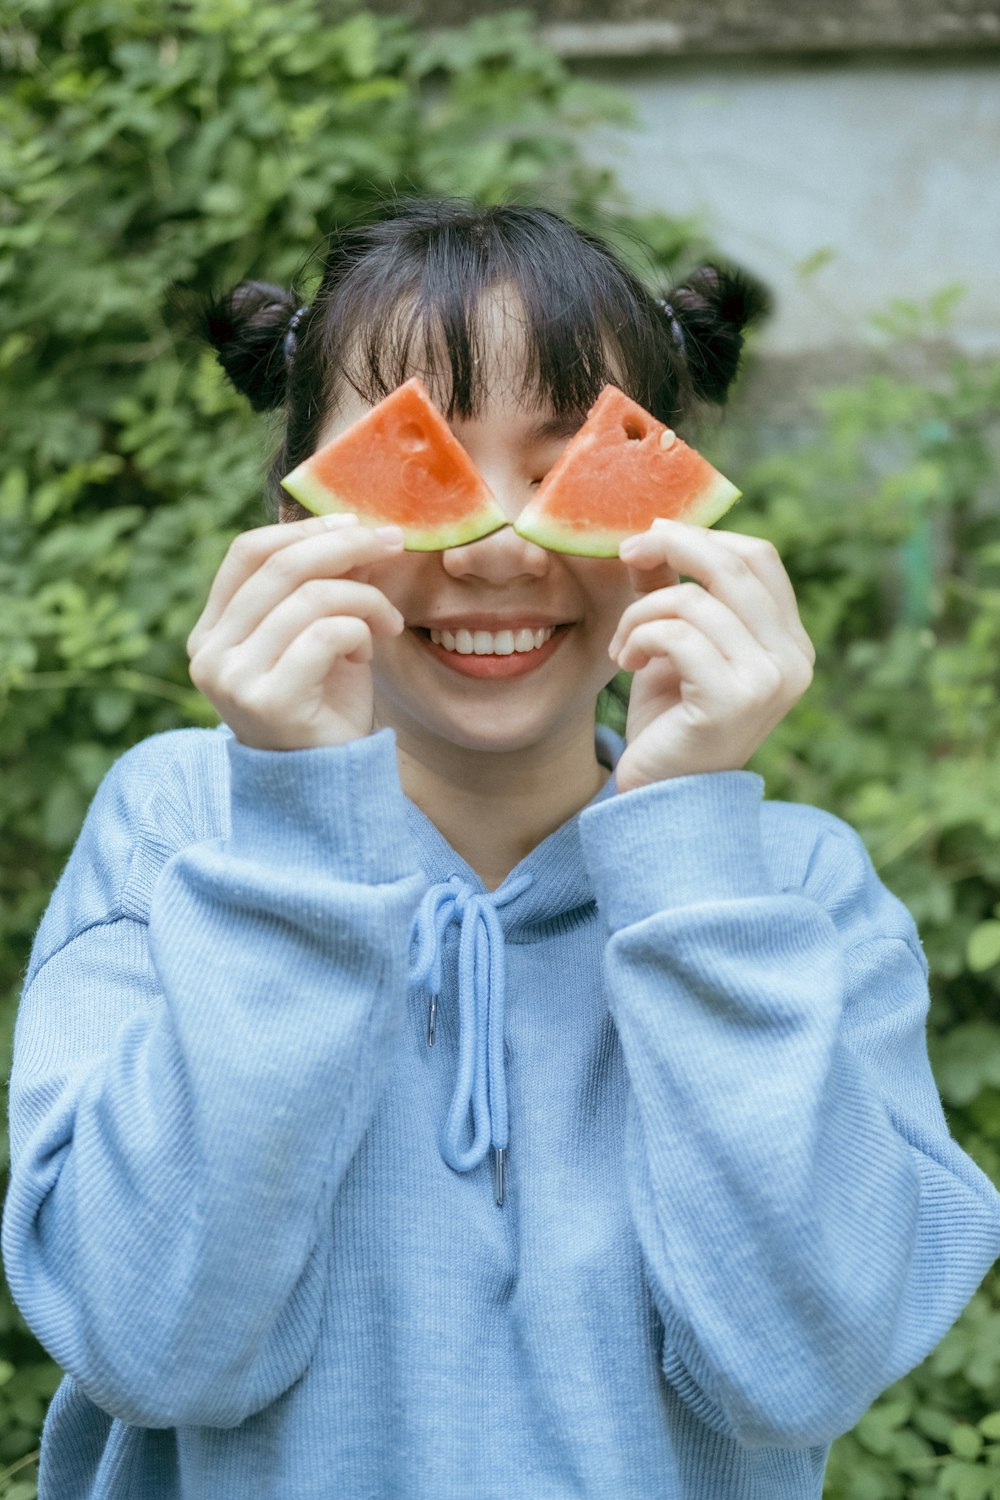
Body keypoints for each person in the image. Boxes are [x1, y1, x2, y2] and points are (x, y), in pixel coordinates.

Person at [4, 197, 999, 1500]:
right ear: (297, 512)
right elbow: (151, 1346)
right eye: (419, 466)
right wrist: (300, 828)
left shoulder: (791, 892)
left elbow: (800, 1372)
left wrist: (690, 848)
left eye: (572, 466)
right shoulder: (186, 831)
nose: (500, 546)